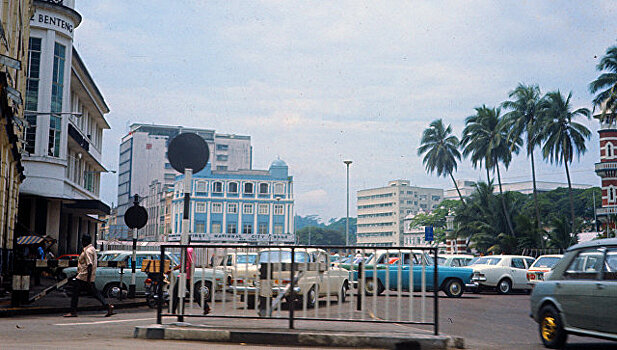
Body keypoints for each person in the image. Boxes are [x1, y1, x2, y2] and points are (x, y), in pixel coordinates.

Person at [63, 235, 114, 317]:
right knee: (95, 293)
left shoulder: (87, 251)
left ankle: (73, 312)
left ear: (85, 241)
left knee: (75, 293)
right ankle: (108, 306)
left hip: (83, 276)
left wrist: (88, 279)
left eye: (82, 241)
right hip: (87, 276)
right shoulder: (92, 249)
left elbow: (89, 265)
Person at [171, 247, 210, 315]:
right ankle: (205, 307)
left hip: (185, 274)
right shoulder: (187, 249)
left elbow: (191, 263)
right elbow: (183, 264)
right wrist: (172, 269)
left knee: (175, 292)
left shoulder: (187, 250)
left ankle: (172, 310)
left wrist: (190, 276)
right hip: (185, 274)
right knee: (193, 292)